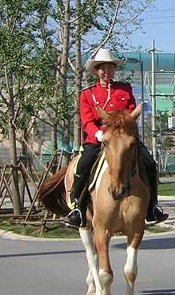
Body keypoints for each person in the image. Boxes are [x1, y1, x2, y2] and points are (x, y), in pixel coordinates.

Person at [64, 48, 168, 228]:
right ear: (96, 71)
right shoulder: (88, 93)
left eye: (110, 67)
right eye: (102, 68)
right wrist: (98, 134)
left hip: (122, 138)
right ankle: (77, 209)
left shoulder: (125, 90)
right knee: (83, 165)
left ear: (114, 70)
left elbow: (130, 114)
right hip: (98, 139)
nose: (106, 71)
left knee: (150, 163)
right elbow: (87, 119)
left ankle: (152, 207)